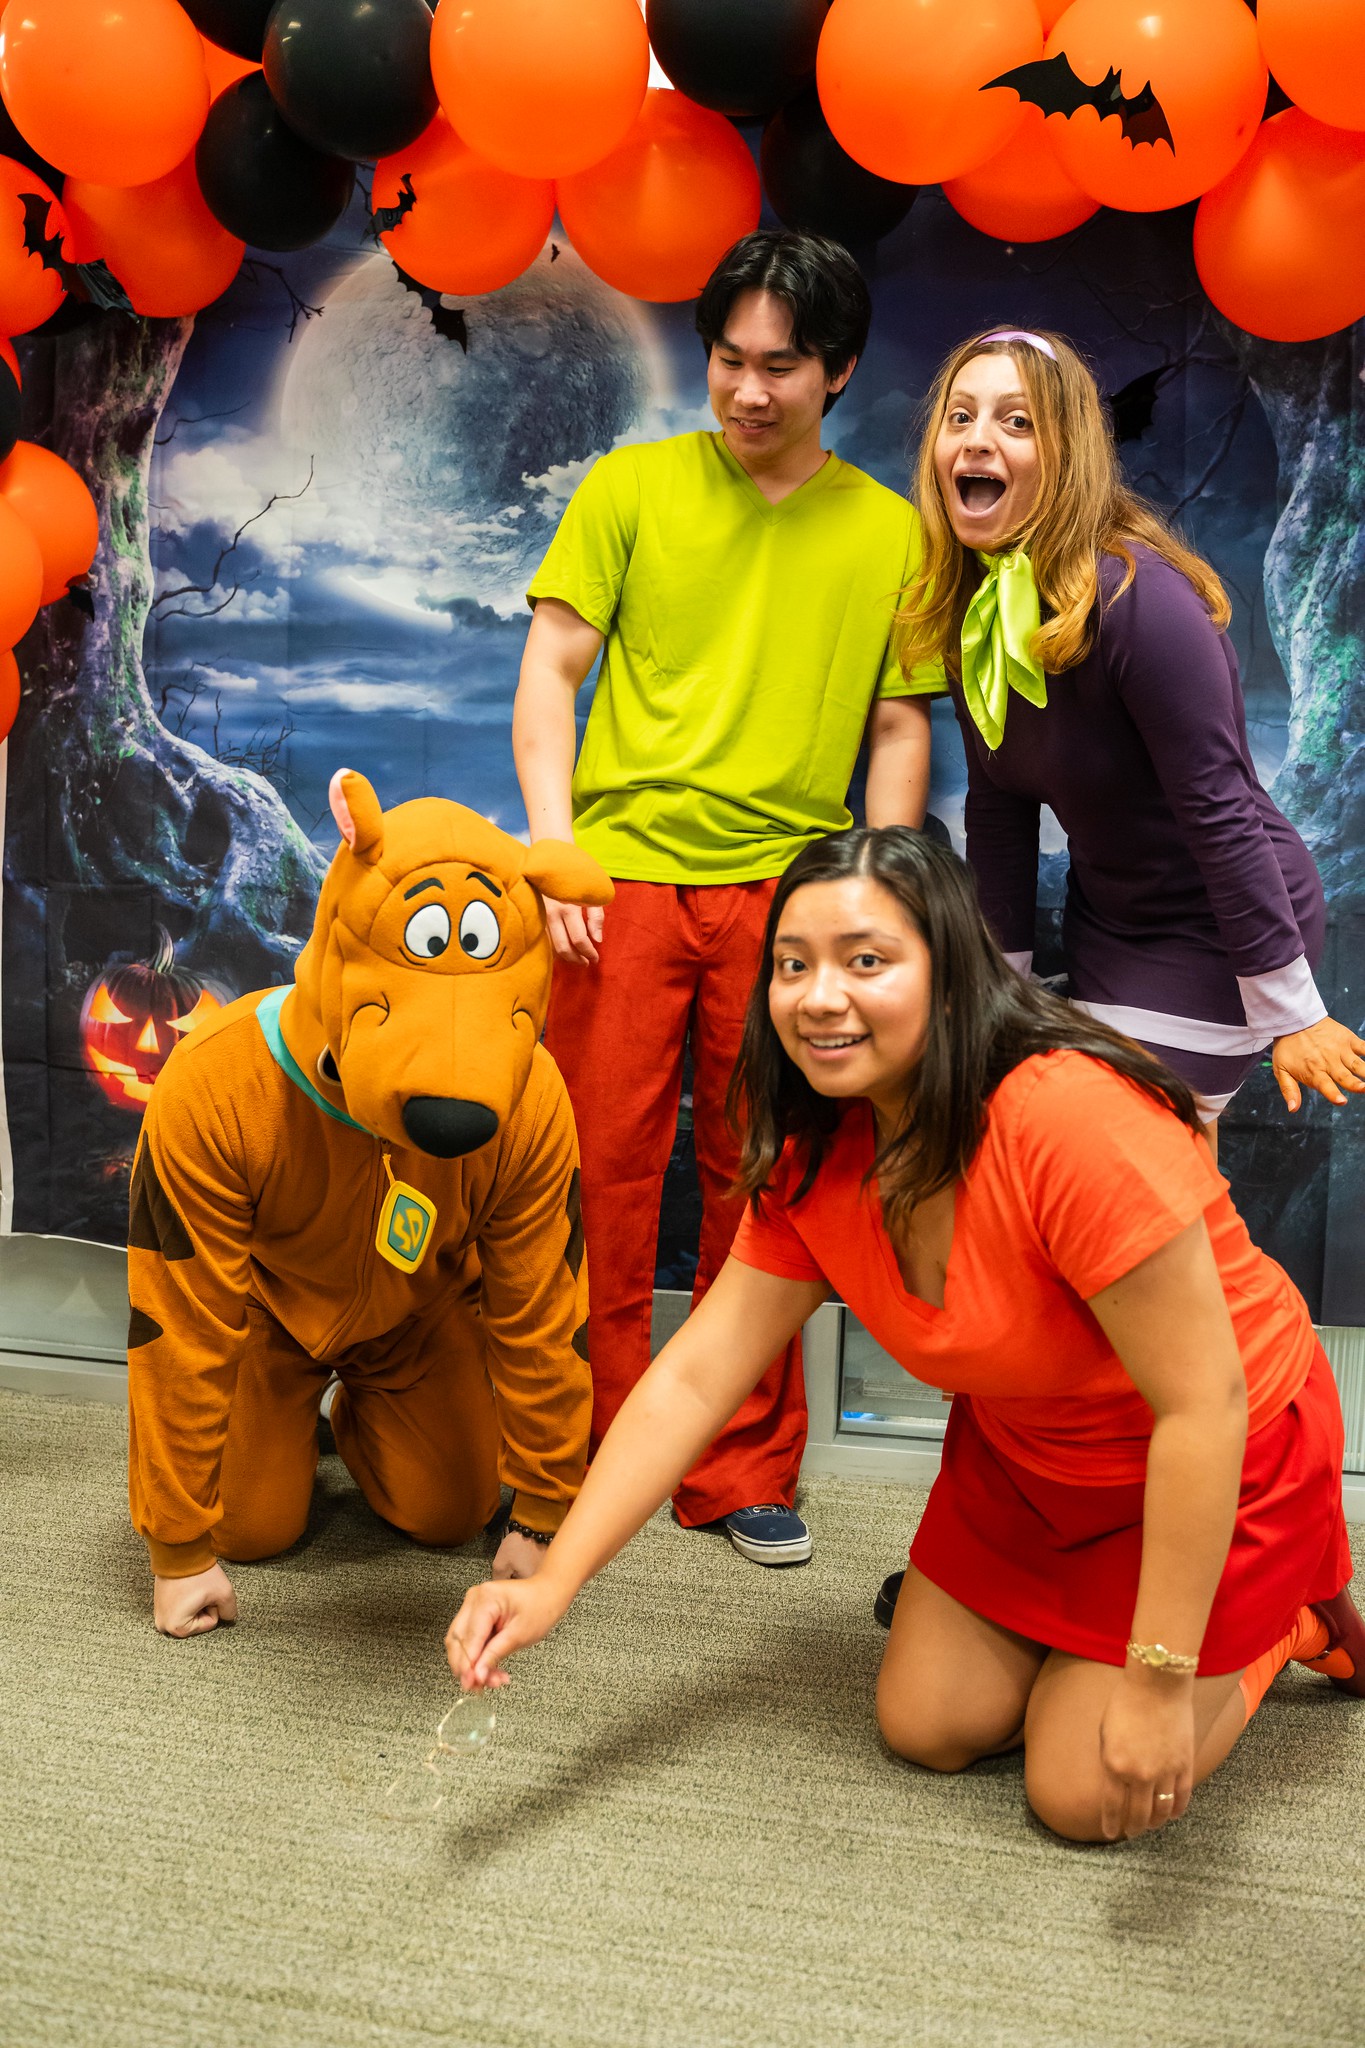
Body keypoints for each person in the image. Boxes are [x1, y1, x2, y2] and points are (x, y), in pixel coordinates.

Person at [445, 829, 1362, 1844]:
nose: (819, 994)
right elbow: (698, 1375)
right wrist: (553, 1581)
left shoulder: (1067, 1117)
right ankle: (1083, 1647)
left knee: (1083, 1791)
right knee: (925, 1722)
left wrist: (1158, 1677)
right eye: (793, 964)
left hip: (1217, 1461)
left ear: (952, 972)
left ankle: (1291, 1616)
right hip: (1030, 1467)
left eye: (865, 960)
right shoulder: (817, 1143)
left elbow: (1206, 1404)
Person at [513, 230, 935, 1568]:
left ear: (838, 372)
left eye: (781, 367)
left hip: (794, 902)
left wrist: (878, 910)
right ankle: (574, 1450)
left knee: (770, 1183)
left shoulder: (889, 532)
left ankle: (743, 1468)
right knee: (592, 1171)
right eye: (728, 360)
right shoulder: (629, 488)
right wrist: (555, 848)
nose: (749, 391)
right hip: (621, 883)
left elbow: (897, 730)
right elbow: (548, 672)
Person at [131, 771, 611, 1638]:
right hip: (261, 1315)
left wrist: (542, 1508)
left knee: (453, 1513)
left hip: (414, 1319)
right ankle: (281, 1408)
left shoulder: (530, 1097)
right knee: (247, 1530)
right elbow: (178, 1322)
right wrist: (177, 1547)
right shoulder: (216, 1082)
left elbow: (543, 1303)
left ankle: (360, 1415)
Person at [892, 326, 1365, 1132]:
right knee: (1135, 1183)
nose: (978, 439)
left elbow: (1219, 812)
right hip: (1108, 926)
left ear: (1069, 451)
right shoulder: (977, 619)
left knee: (1115, 1150)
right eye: (959, 416)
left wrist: (1291, 1012)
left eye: (1016, 421)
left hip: (1221, 937)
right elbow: (999, 816)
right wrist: (995, 994)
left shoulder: (1141, 603)